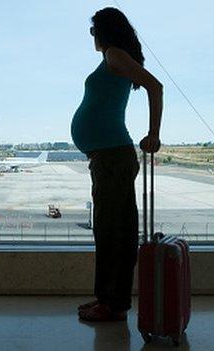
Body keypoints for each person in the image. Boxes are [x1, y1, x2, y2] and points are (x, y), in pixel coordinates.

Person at [71, 7, 163, 322]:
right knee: (111, 230)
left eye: (93, 30)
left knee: (112, 232)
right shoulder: (111, 57)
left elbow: (156, 86)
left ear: (104, 31)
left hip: (113, 156)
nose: (92, 36)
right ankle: (109, 300)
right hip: (107, 156)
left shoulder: (114, 54)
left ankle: (111, 304)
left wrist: (154, 133)